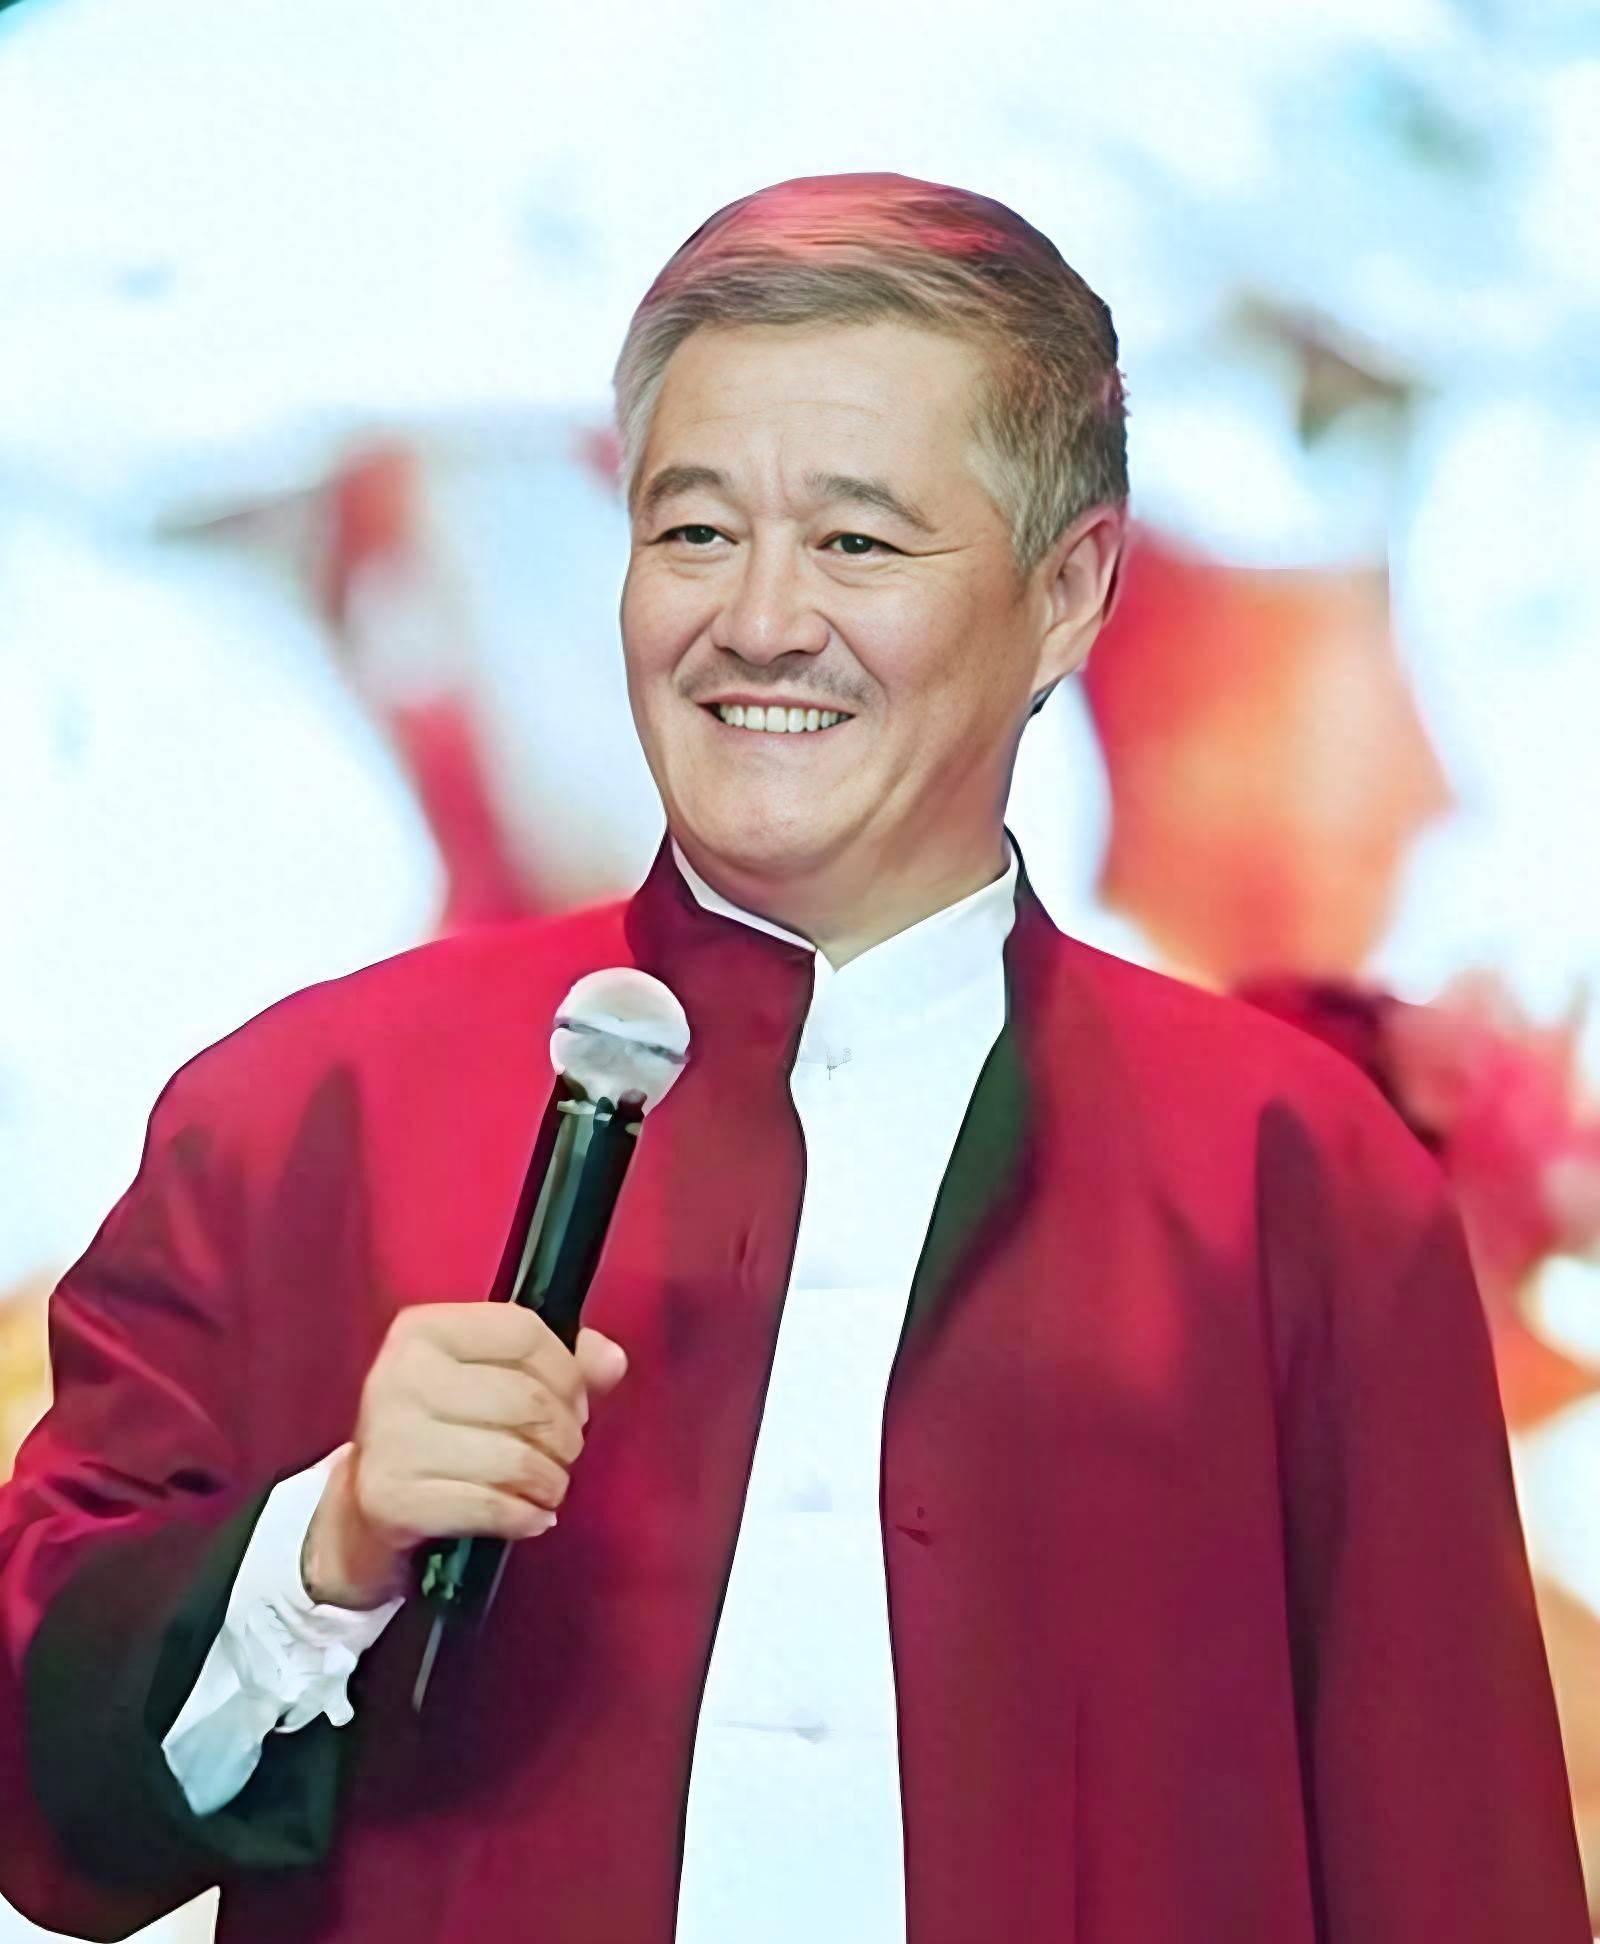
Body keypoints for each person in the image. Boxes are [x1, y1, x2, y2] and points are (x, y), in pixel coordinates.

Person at [0, 172, 1588, 1944]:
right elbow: (44, 1796)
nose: (757, 621)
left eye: (857, 544)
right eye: (693, 533)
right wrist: (326, 1548)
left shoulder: (1286, 1168)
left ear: (1069, 592)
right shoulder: (310, 1109)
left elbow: (1457, 1870)